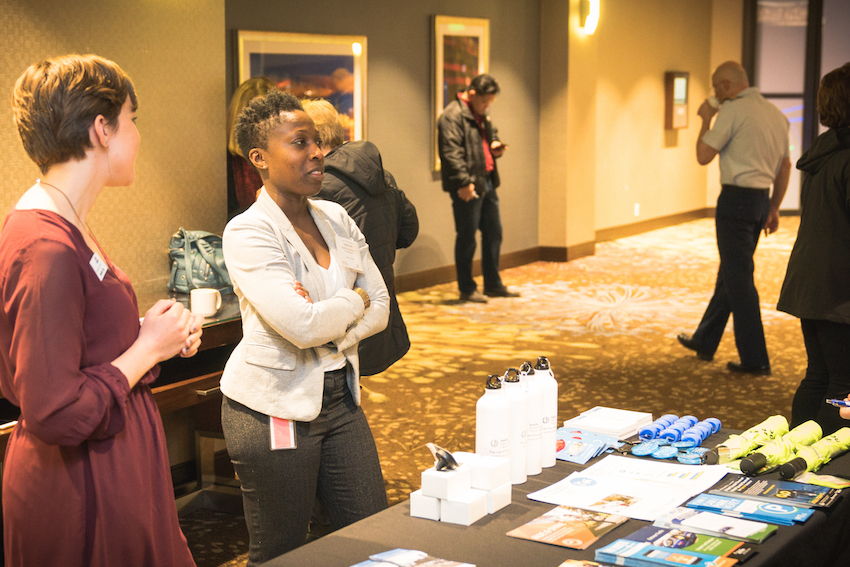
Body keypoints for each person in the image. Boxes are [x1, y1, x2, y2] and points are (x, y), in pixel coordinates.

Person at [1, 54, 203, 566]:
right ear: (102, 129)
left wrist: (152, 333)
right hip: (80, 487)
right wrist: (144, 348)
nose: (137, 136)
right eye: (133, 121)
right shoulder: (45, 244)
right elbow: (55, 410)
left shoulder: (66, 222)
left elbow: (73, 342)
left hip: (109, 468)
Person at [220, 90, 390, 565]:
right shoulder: (248, 232)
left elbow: (380, 305)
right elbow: (301, 326)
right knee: (283, 552)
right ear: (260, 158)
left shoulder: (335, 218)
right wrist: (349, 300)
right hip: (272, 405)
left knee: (373, 536)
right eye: (300, 143)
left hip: (340, 397)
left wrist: (336, 326)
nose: (317, 152)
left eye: (317, 142)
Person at [677, 61, 791, 375]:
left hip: (735, 202)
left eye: (716, 86)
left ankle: (755, 358)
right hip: (758, 202)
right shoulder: (776, 115)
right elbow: (784, 167)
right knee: (730, 272)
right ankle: (705, 339)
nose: (715, 92)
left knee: (739, 280)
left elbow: (703, 155)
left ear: (727, 85)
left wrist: (705, 119)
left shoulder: (732, 111)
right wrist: (774, 207)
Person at [302, 98, 419, 375]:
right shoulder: (382, 175)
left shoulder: (317, 187)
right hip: (380, 304)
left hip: (343, 310)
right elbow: (409, 231)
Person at [777, 63, 850, 435]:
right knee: (842, 387)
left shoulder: (823, 152)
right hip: (839, 287)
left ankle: (793, 449)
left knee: (819, 375)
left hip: (813, 279)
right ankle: (823, 468)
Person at [438, 73, 518, 303]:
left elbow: (487, 136)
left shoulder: (481, 113)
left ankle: (493, 284)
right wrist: (463, 182)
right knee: (467, 237)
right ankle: (467, 288)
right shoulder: (452, 116)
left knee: (494, 233)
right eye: (485, 101)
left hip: (487, 181)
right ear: (471, 93)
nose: (487, 106)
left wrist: (494, 144)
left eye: (490, 102)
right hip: (468, 185)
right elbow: (451, 153)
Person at [226, 76, 276, 218]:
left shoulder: (286, 156)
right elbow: (227, 216)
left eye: (266, 114)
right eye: (253, 114)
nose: (260, 122)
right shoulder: (226, 163)